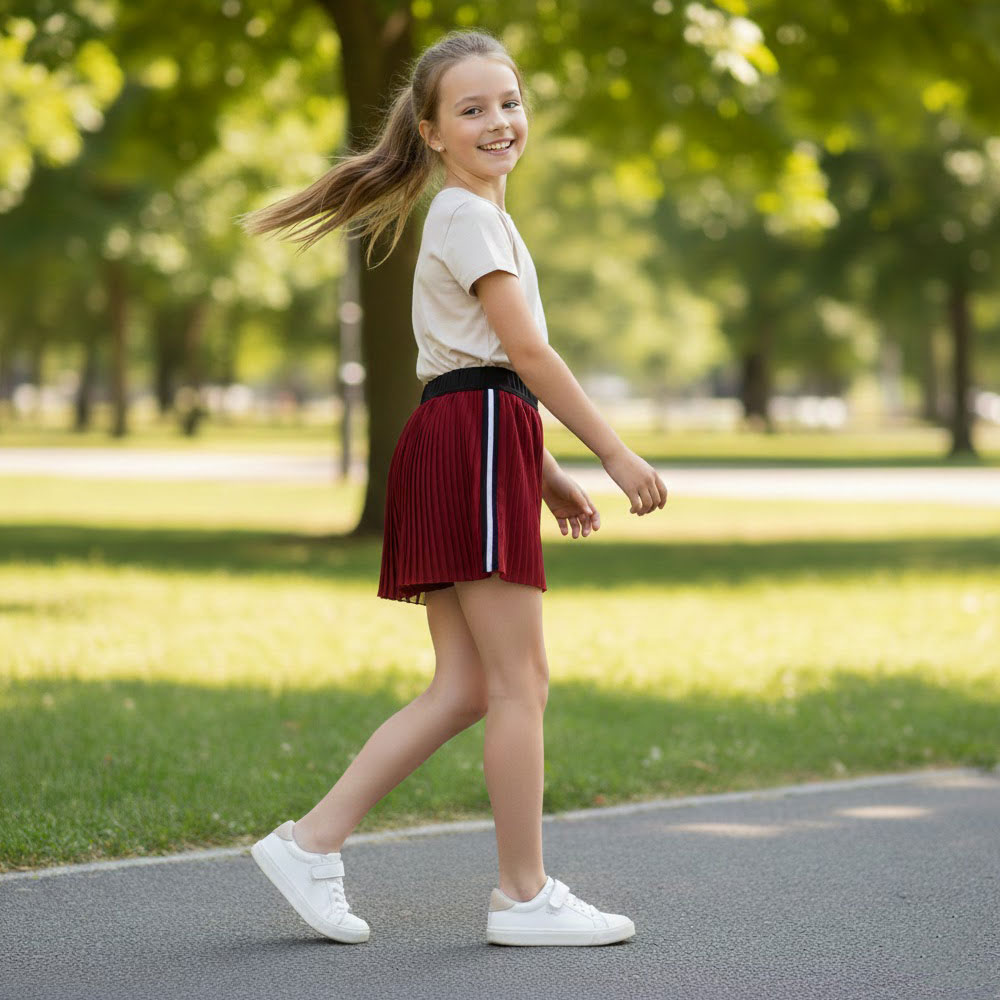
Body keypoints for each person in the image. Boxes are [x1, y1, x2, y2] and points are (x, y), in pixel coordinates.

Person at [239, 27, 668, 947]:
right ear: (431, 131)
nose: (498, 120)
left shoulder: (474, 216)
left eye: (509, 101)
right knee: (520, 683)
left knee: (468, 686)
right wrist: (613, 454)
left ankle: (310, 843)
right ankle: (523, 895)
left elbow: (476, 370)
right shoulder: (468, 216)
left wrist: (545, 474)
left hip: (471, 435)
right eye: (472, 109)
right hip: (473, 439)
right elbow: (523, 356)